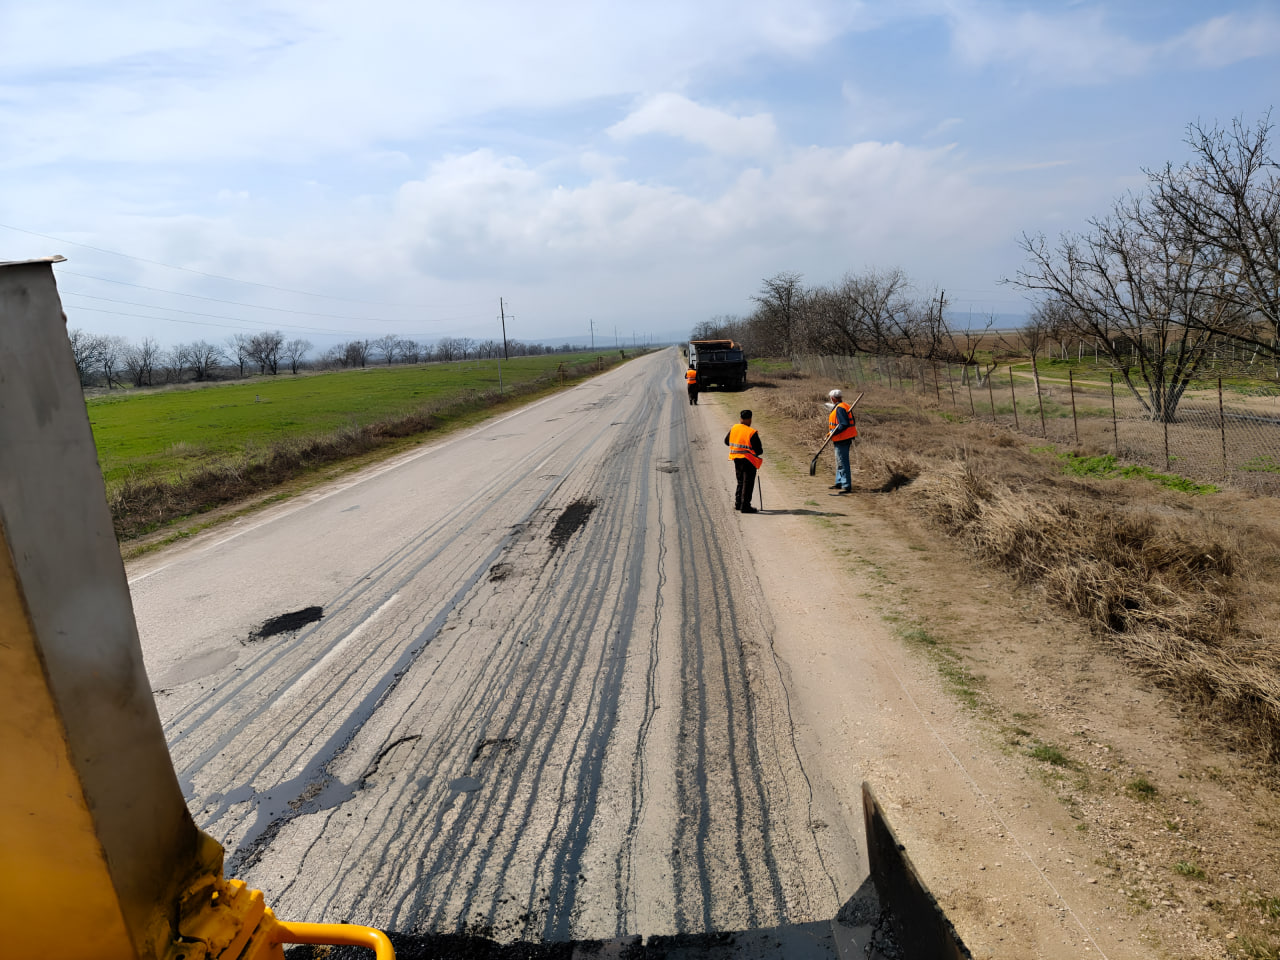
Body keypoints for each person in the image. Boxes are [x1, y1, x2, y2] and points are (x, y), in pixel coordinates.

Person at [725, 409, 763, 513]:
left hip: (736, 459)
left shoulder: (734, 428)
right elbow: (759, 450)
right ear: (750, 419)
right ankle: (745, 506)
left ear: (740, 419)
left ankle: (738, 504)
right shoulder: (751, 432)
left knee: (740, 481)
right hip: (749, 460)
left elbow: (726, 441)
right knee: (748, 483)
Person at [827, 388, 857, 493]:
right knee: (840, 461)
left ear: (832, 398)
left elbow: (844, 424)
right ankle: (839, 482)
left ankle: (846, 485)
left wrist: (833, 433)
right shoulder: (844, 406)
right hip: (843, 438)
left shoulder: (840, 409)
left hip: (842, 439)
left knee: (843, 462)